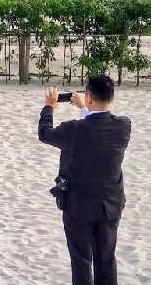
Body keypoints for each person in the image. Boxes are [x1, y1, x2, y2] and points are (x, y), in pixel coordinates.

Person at [39, 75, 131, 285]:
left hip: (78, 206)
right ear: (112, 97)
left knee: (81, 261)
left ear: (89, 97)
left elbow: (45, 134)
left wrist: (48, 108)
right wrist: (85, 108)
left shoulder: (74, 129)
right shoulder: (124, 126)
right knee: (106, 259)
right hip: (110, 204)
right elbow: (98, 127)